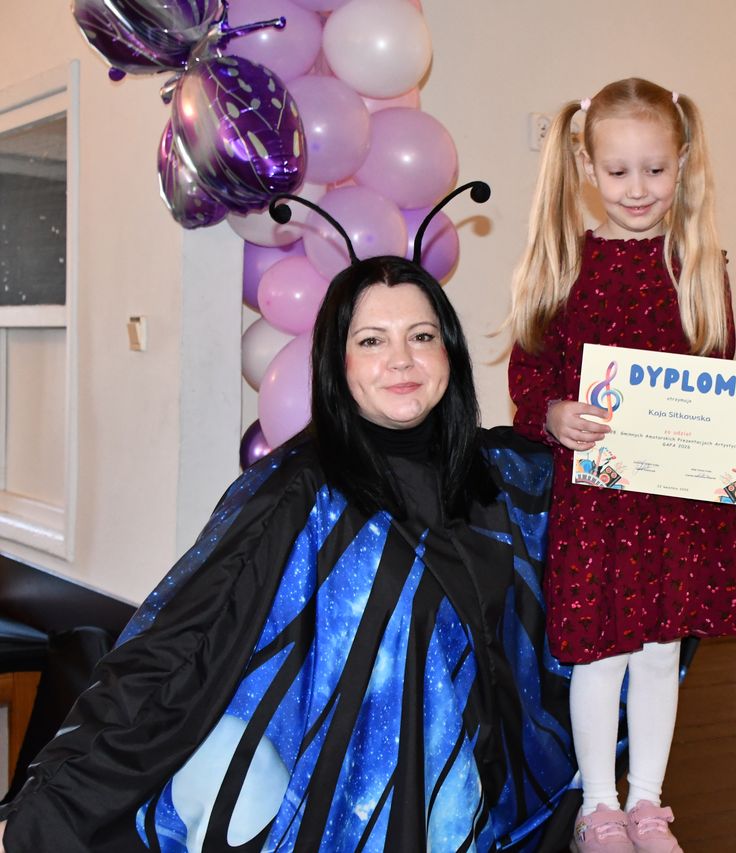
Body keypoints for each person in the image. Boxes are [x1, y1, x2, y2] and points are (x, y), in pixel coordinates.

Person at [0, 194, 581, 851]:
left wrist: (569, 417)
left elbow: (615, 519)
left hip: (482, 817)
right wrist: (46, 811)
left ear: (449, 352)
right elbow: (179, 648)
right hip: (341, 825)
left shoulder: (502, 476)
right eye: (371, 340)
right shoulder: (297, 493)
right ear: (337, 361)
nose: (401, 359)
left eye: (421, 336)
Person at [508, 78, 736, 853]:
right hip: (599, 506)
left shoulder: (699, 265)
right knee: (601, 655)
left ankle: (648, 803)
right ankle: (599, 807)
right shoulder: (563, 264)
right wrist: (552, 414)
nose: (637, 188)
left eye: (654, 168)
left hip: (678, 509)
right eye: (618, 171)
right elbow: (529, 380)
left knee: (658, 654)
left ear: (682, 163)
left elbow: (719, 391)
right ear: (587, 166)